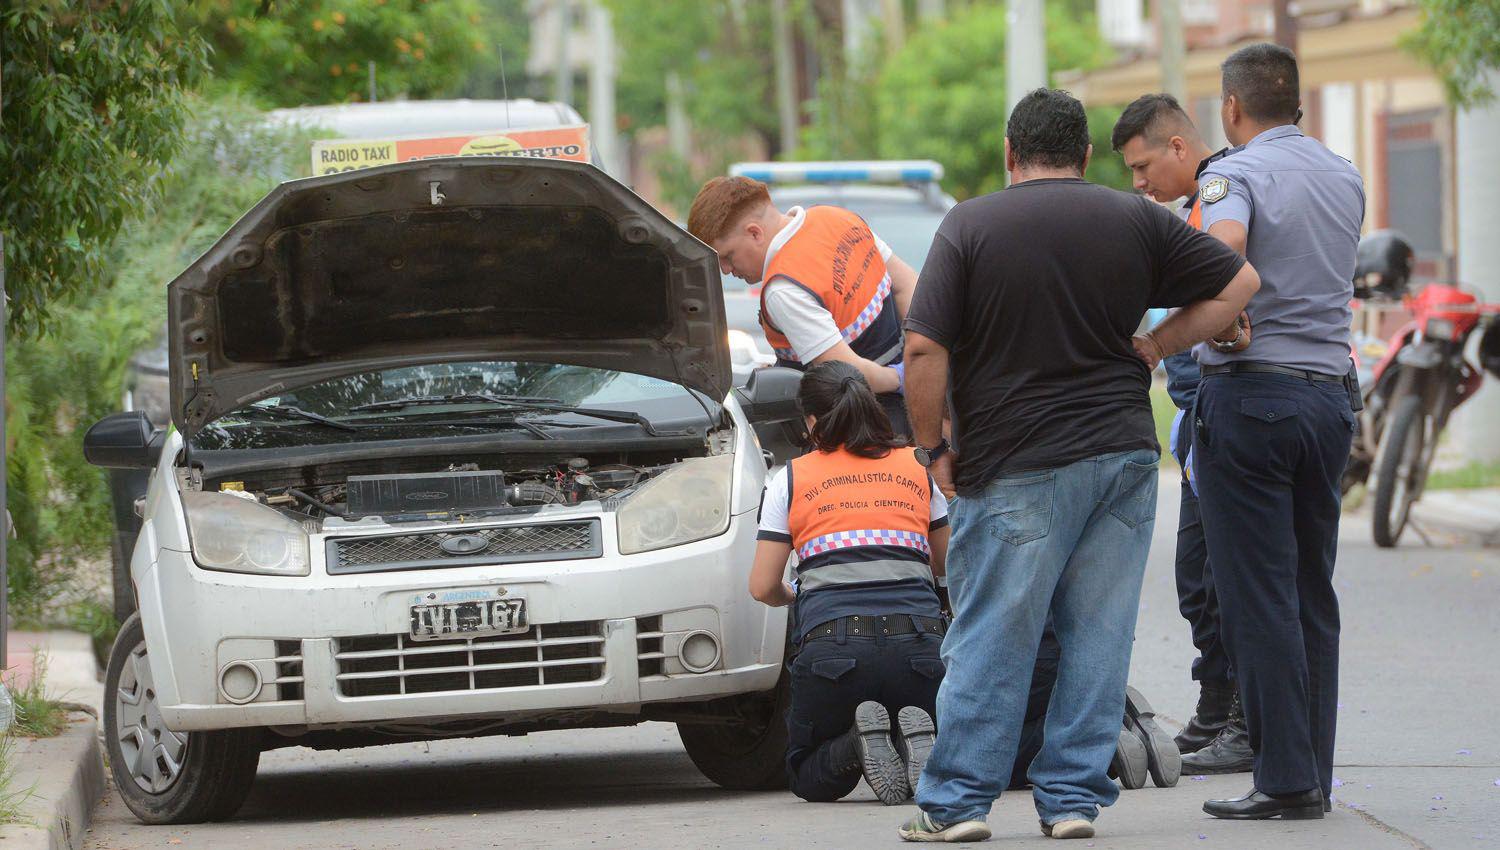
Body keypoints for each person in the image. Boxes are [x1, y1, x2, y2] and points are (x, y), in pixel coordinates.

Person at [895, 88, 1260, 843]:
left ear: (1009, 153)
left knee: (993, 631)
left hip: (1013, 460)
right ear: (1087, 156)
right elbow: (1239, 283)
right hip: (1122, 455)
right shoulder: (1136, 218)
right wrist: (1158, 348)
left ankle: (959, 803)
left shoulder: (971, 224)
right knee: (1098, 633)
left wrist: (932, 447)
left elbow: (924, 348)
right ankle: (1070, 800)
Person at [1186, 44, 1364, 821]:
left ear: (1232, 107)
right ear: (1296, 101)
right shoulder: (1344, 172)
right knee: (1309, 592)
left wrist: (1194, 327)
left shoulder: (1233, 173)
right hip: (1329, 398)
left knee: (1255, 596)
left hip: (1252, 399)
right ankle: (1310, 773)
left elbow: (1222, 252)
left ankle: (1284, 781)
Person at [1110, 94, 1250, 768]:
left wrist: (1159, 344)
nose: (1139, 185)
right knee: (1197, 575)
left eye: (1143, 168)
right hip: (1197, 414)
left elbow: (1231, 279)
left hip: (1227, 403)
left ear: (1177, 147)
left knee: (1226, 575)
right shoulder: (1188, 211)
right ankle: (1217, 706)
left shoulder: (1221, 198)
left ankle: (1246, 722)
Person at [747, 360, 948, 805]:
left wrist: (797, 595)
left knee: (807, 772)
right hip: (919, 648)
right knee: (926, 713)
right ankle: (913, 739)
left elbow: (762, 585)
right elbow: (945, 564)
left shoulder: (791, 479)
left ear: (812, 421)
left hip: (833, 652)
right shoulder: (916, 467)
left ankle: (856, 743)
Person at [686, 177, 920, 431]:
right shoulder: (836, 218)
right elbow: (908, 285)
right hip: (910, 407)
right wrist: (918, 362)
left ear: (754, 232)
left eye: (728, 256)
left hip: (864, 426)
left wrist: (901, 378)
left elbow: (847, 372)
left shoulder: (783, 288)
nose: (725, 269)